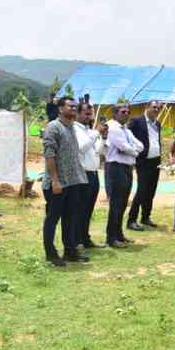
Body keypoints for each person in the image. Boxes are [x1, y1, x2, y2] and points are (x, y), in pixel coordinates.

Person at [41, 96, 88, 266]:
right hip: (57, 184)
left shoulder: (71, 127)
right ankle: (51, 254)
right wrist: (55, 181)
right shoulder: (53, 127)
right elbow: (49, 155)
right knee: (53, 219)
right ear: (60, 109)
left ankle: (70, 252)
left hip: (72, 182)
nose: (74, 109)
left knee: (70, 218)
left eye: (76, 107)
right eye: (70, 106)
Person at [104, 104, 144, 248]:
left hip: (127, 168)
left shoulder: (126, 129)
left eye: (128, 112)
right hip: (116, 167)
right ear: (115, 113)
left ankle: (119, 234)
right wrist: (132, 150)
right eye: (123, 112)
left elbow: (140, 145)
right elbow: (123, 147)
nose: (126, 114)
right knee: (116, 204)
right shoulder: (112, 127)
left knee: (122, 203)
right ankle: (111, 238)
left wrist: (130, 150)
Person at [73, 102, 107, 249]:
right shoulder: (75, 129)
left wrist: (104, 138)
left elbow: (97, 151)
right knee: (79, 209)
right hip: (82, 174)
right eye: (87, 114)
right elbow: (81, 148)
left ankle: (85, 238)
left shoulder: (89, 130)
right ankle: (76, 240)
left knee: (88, 209)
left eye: (91, 114)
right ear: (78, 114)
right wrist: (96, 132)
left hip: (93, 174)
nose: (90, 117)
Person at [127, 101, 162, 231]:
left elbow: (155, 141)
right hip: (143, 161)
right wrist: (133, 154)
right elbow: (128, 137)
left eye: (158, 108)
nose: (156, 110)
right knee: (141, 190)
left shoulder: (157, 123)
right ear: (146, 107)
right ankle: (131, 220)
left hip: (156, 161)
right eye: (154, 107)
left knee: (151, 191)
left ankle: (145, 217)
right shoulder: (137, 121)